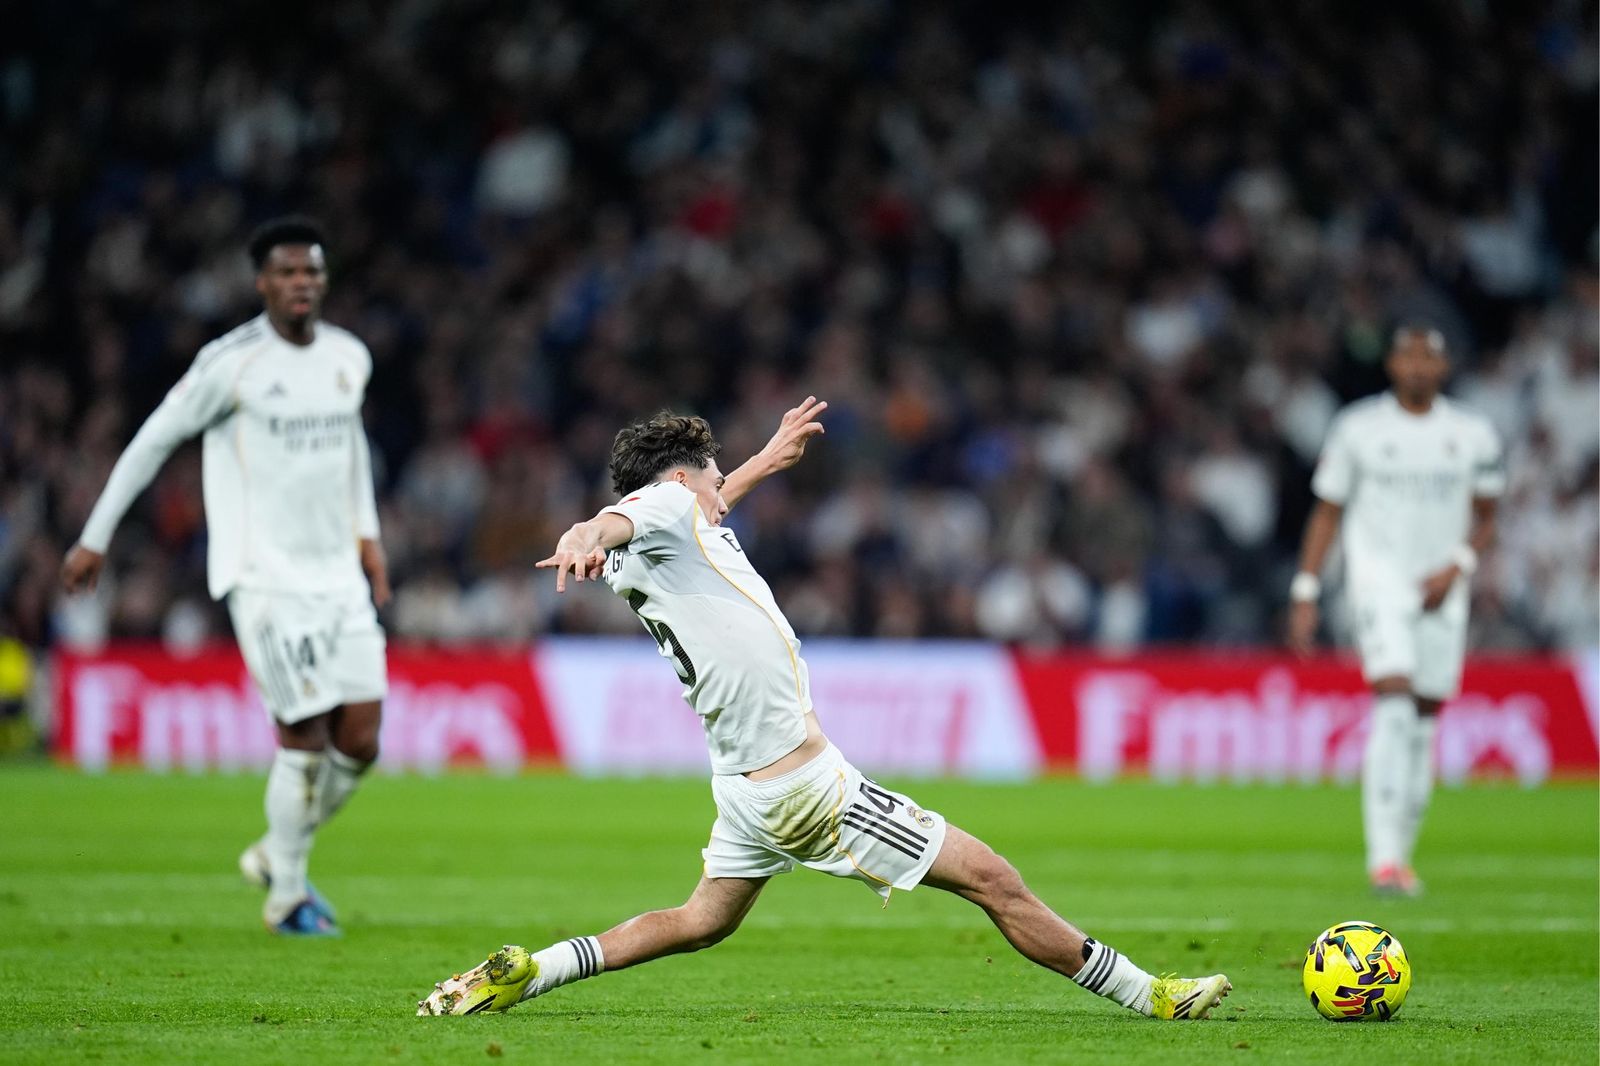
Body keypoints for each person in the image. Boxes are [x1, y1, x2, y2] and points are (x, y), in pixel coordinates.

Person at [417, 398, 1231, 1019]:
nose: (719, 487)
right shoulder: (661, 514)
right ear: (677, 479)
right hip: (805, 788)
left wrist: (764, 460)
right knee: (992, 879)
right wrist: (582, 535)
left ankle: (536, 970)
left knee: (701, 920)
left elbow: (677, 509)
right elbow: (618, 517)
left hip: (743, 786)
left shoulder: (676, 533)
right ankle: (1150, 994)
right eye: (713, 471)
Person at [61, 217, 391, 936]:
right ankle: (289, 897)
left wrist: (369, 538)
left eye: (312, 272)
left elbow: (350, 452)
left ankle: (277, 851)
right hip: (264, 575)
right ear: (261, 283)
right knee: (302, 733)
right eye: (287, 273)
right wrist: (95, 537)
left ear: (324, 280)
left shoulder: (348, 357)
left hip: (338, 573)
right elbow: (154, 440)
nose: (302, 283)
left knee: (361, 740)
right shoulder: (229, 362)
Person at [1288, 326, 1502, 896]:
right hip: (1378, 584)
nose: (1417, 366)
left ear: (1444, 366)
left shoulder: (1471, 433)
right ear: (1391, 363)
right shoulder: (1359, 428)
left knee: (1425, 720)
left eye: (1428, 356)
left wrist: (1456, 564)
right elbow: (1327, 512)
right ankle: (1383, 860)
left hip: (1443, 588)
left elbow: (1487, 517)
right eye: (1407, 355)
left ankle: (1402, 858)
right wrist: (1306, 589)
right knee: (1395, 701)